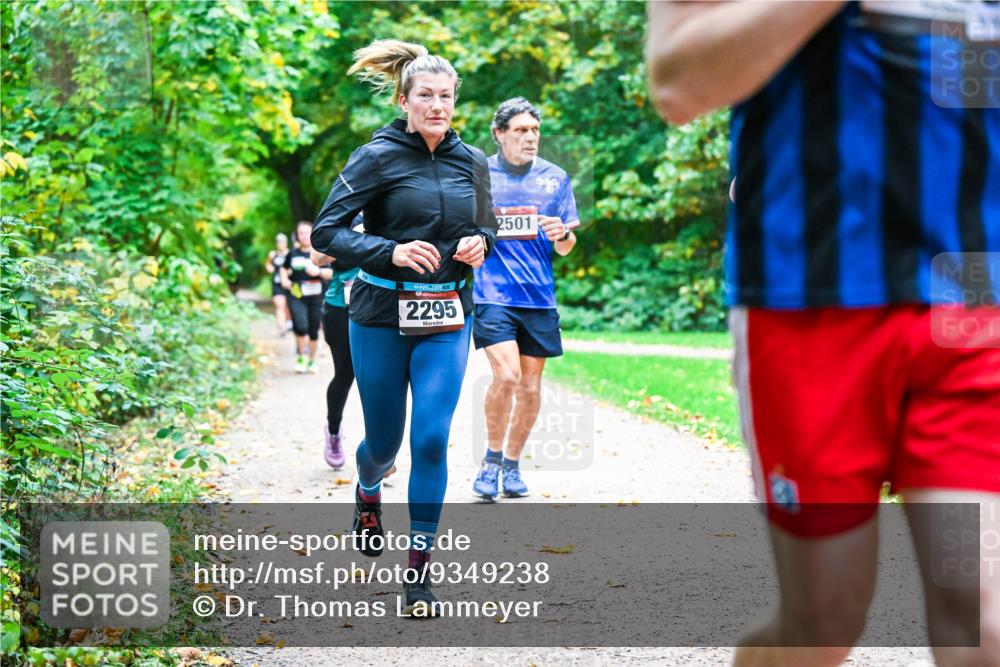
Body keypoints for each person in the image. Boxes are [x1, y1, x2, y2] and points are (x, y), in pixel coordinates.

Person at [647, 2, 999, 666]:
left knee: (983, 619)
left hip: (977, 304)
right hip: (810, 300)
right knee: (823, 623)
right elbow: (677, 83)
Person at [311, 39, 497, 616]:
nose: (437, 106)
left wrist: (480, 242)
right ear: (404, 100)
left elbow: (487, 226)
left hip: (447, 315)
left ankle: (418, 577)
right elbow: (325, 234)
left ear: (455, 102)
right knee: (384, 445)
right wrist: (388, 251)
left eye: (446, 97)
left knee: (432, 439)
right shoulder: (375, 157)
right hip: (381, 316)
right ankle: (368, 489)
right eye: (426, 96)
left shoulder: (473, 161)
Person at [470, 97, 580, 501]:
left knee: (531, 387)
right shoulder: (479, 175)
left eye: (534, 130)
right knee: (508, 377)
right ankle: (490, 461)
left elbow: (567, 246)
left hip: (538, 298)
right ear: (499, 134)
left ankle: (512, 465)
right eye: (520, 130)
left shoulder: (555, 178)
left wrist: (561, 233)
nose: (530, 137)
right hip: (492, 294)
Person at [281, 221, 330, 374]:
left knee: (314, 329)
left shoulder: (321, 252)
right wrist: (284, 279)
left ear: (312, 233)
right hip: (297, 293)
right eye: (300, 233)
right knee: (300, 326)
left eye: (306, 233)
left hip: (316, 295)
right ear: (297, 236)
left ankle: (312, 360)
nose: (303, 236)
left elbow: (331, 273)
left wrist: (318, 272)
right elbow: (283, 268)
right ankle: (301, 357)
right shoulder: (292, 253)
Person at [265, 233, 292, 336]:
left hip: (289, 283)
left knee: (288, 306)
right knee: (279, 304)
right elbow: (268, 263)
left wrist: (287, 273)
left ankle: (289, 322)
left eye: (282, 242)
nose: (280, 244)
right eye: (278, 242)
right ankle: (282, 327)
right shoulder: (272, 254)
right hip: (277, 283)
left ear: (286, 243)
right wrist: (270, 268)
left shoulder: (290, 253)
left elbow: (293, 267)